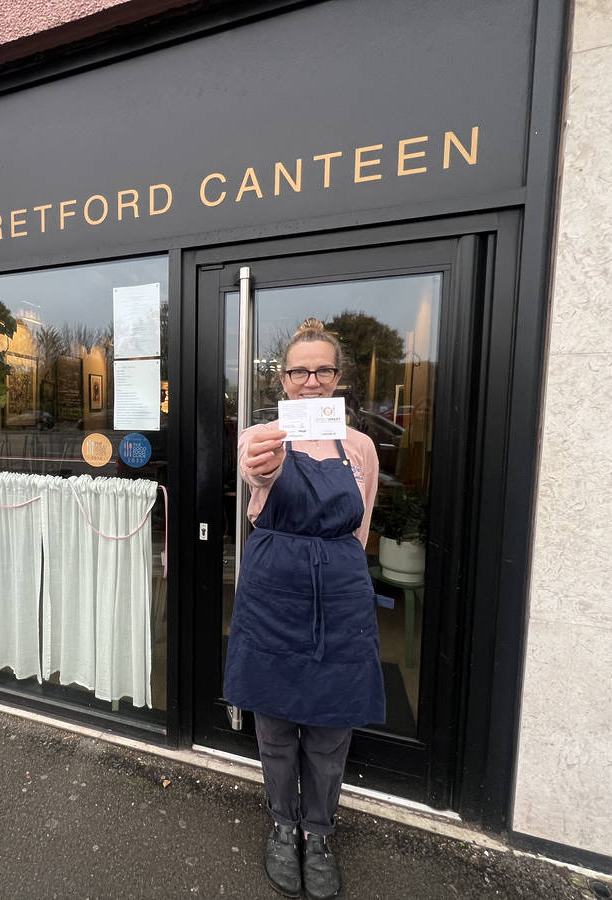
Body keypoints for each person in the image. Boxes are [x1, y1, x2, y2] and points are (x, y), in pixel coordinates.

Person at [224, 317, 383, 899]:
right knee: (274, 723)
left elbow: (361, 527)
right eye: (299, 371)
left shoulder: (360, 447)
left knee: (330, 726)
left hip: (339, 591)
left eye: (322, 370)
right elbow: (255, 475)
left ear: (337, 377)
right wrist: (260, 467)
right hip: (273, 591)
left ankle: (318, 833)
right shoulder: (262, 437)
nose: (311, 381)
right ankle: (281, 824)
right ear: (283, 379)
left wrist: (330, 567)